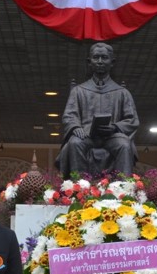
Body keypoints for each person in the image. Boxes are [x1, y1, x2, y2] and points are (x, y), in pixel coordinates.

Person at [57, 42, 139, 178]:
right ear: (89, 62)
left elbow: (132, 119)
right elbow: (69, 116)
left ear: (112, 62)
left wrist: (115, 127)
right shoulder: (78, 91)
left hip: (112, 136)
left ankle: (123, 188)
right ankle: (80, 187)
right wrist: (75, 127)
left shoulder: (122, 92)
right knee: (74, 142)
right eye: (96, 57)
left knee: (124, 145)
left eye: (104, 57)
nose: (100, 61)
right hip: (86, 135)